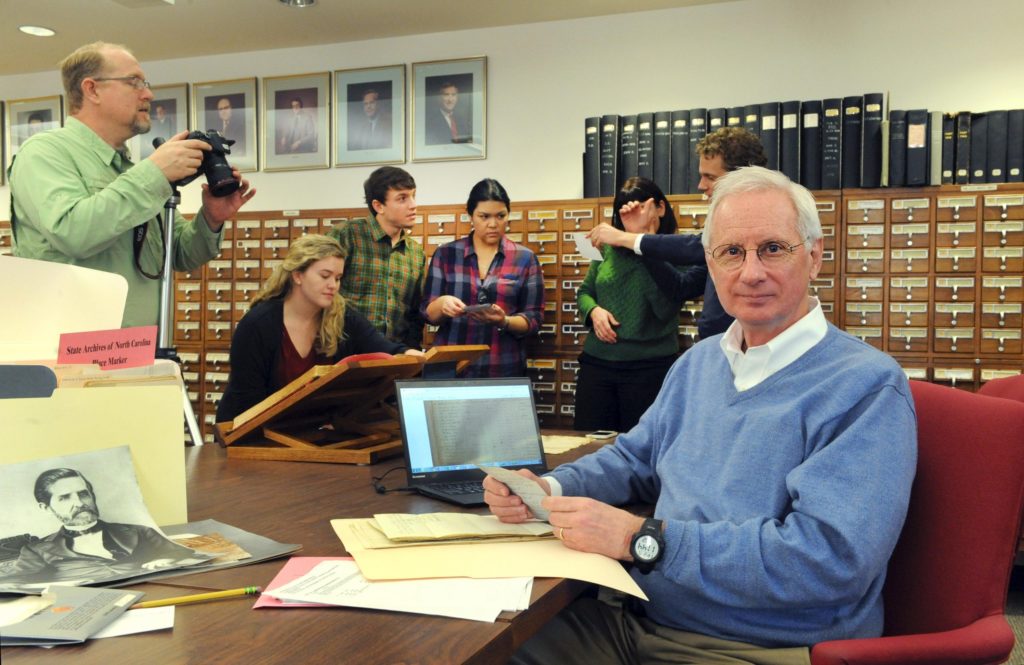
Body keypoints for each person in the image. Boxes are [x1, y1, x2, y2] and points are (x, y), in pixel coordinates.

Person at [486, 167, 917, 664]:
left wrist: (640, 539)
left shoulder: (864, 385)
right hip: (640, 619)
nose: (750, 271)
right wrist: (550, 489)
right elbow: (635, 457)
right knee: (476, 649)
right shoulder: (699, 362)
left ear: (814, 256)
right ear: (710, 265)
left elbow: (827, 561)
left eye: (773, 248)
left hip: (757, 646)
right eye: (731, 252)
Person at [9, 41, 255, 328]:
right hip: (73, 359)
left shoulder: (131, 171)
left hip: (139, 352)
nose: (148, 94)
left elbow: (179, 253)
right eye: (134, 82)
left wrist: (211, 219)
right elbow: (73, 232)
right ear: (92, 89)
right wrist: (154, 172)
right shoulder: (44, 152)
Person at [217, 234, 424, 422]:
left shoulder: (342, 316)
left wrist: (414, 356)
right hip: (250, 434)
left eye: (338, 278)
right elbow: (248, 402)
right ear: (298, 275)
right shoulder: (258, 325)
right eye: (325, 276)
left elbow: (380, 346)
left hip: (304, 433)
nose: (333, 285)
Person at [588, 126, 767, 339]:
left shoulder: (765, 217)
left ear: (741, 176)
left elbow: (701, 245)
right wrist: (644, 239)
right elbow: (682, 288)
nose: (701, 185)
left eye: (710, 177)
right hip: (718, 347)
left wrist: (628, 238)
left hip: (751, 347)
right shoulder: (722, 225)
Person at [574, 176, 704, 432]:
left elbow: (665, 309)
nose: (630, 217)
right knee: (587, 444)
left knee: (639, 452)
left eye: (638, 208)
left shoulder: (677, 251)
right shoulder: (607, 250)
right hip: (597, 364)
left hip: (649, 368)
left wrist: (643, 242)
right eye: (624, 212)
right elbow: (585, 292)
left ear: (660, 208)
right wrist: (594, 311)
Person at [421, 179, 545, 377]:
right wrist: (442, 304)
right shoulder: (446, 254)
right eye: (484, 216)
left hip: (502, 366)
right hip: (450, 367)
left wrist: (503, 320)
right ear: (470, 215)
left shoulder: (525, 258)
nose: (493, 224)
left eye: (500, 216)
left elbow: (534, 319)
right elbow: (428, 315)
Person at [6, 468, 199, 584]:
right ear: (46, 507)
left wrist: (170, 561)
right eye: (65, 498)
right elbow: (15, 584)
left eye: (83, 494)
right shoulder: (37, 550)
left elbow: (192, 558)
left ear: (92, 495)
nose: (80, 503)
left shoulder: (140, 532)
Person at [328, 166, 425, 349]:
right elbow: (322, 292)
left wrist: (409, 349)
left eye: (413, 196)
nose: (413, 205)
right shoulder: (347, 236)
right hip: (345, 354)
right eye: (402, 198)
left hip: (394, 358)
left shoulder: (415, 252)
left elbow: (415, 312)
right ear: (378, 206)